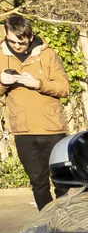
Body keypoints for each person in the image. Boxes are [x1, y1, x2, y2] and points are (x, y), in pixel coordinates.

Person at [0, 16, 69, 210]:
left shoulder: (48, 55)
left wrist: (38, 83)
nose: (16, 46)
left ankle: (65, 221)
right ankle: (46, 221)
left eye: (21, 42)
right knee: (38, 184)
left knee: (62, 182)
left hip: (52, 128)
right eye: (12, 41)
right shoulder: (1, 55)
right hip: (23, 131)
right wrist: (3, 82)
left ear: (30, 37)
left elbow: (64, 88)